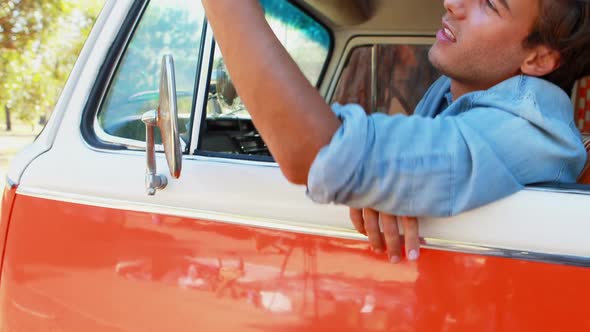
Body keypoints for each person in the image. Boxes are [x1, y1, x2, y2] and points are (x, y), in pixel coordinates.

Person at [201, 0, 590, 263]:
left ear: (537, 58)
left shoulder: (528, 126)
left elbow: (317, 154)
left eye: (489, 3)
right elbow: (361, 161)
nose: (453, 2)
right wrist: (388, 183)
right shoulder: (449, 96)